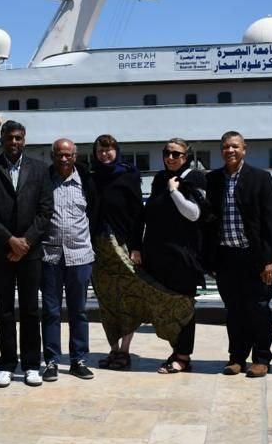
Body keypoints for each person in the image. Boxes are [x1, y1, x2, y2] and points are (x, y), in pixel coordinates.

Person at [89, 134, 194, 370]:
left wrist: (136, 246)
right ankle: (114, 350)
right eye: (100, 150)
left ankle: (125, 351)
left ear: (117, 151)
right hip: (99, 250)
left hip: (122, 246)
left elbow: (138, 215)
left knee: (131, 298)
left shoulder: (128, 176)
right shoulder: (92, 178)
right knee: (107, 300)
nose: (104, 154)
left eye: (109, 149)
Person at [0, 120, 54, 388]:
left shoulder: (40, 170)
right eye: (9, 138)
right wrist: (10, 240)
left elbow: (45, 211)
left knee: (31, 309)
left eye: (18, 138)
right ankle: (7, 365)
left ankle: (31, 364)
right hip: (2, 251)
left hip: (30, 252)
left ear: (24, 139)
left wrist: (25, 242)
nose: (14, 142)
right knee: (5, 310)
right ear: (2, 140)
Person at [205, 131, 272, 379]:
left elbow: (271, 221)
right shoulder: (213, 179)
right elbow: (208, 221)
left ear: (244, 149)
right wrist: (210, 259)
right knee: (234, 310)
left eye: (235, 146)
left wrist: (269, 259)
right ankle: (236, 357)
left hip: (254, 256)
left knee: (259, 308)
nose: (230, 151)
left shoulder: (261, 178)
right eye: (226, 147)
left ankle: (261, 358)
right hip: (226, 256)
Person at [143, 138, 209, 374]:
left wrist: (174, 191)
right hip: (158, 254)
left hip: (183, 257)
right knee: (166, 306)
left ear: (186, 157)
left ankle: (183, 355)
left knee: (183, 306)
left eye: (176, 154)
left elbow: (194, 214)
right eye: (167, 153)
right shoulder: (160, 178)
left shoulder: (194, 178)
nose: (170, 158)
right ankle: (175, 350)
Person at [40, 138, 99, 381]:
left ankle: (78, 360)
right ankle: (52, 361)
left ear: (75, 156)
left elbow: (94, 213)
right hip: (50, 256)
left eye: (68, 155)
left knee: (79, 311)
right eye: (59, 154)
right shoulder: (44, 181)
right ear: (52, 156)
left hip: (80, 255)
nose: (64, 159)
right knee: (51, 312)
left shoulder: (86, 182)